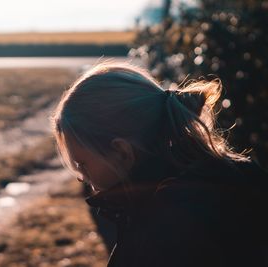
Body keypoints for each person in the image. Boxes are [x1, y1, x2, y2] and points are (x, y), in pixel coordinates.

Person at [50, 62, 268, 267]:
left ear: (122, 152)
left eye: (82, 163)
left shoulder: (156, 236)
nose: (80, 176)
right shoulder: (238, 175)